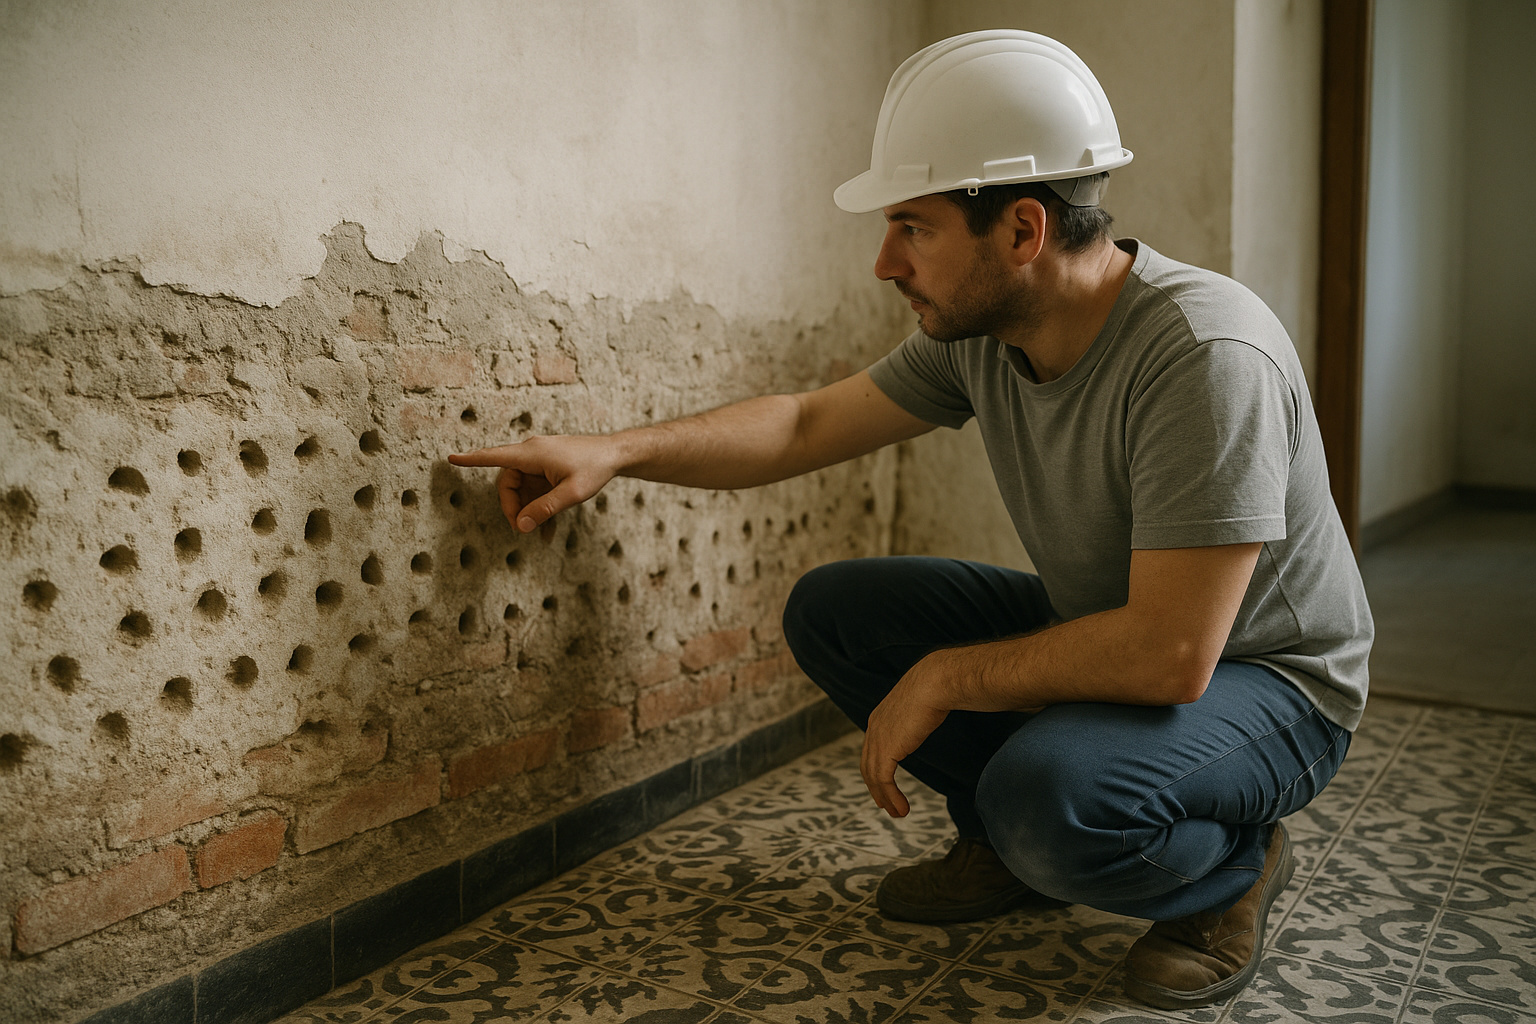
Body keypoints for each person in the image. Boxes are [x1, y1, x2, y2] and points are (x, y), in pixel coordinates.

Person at [450, 29, 1372, 1011]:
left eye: (912, 227)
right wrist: (615, 451)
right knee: (840, 612)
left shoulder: (1206, 355)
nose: (885, 262)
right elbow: (804, 424)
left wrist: (946, 675)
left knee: (1048, 797)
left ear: (1022, 231)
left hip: (1270, 679)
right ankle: (1006, 849)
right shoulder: (986, 333)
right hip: (1130, 632)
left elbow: (1171, 655)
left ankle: (1229, 870)